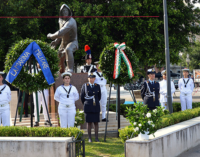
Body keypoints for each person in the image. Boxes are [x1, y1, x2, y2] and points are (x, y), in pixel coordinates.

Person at [47, 4, 78, 73]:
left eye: (66, 10)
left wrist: (51, 36)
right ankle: (61, 71)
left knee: (68, 49)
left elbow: (60, 32)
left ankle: (70, 70)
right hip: (63, 42)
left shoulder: (71, 21)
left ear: (69, 11)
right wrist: (56, 41)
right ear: (61, 13)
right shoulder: (61, 21)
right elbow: (61, 34)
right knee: (58, 57)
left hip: (72, 42)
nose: (64, 12)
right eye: (63, 11)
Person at [81, 73, 101, 142]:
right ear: (88, 79)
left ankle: (96, 138)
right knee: (89, 122)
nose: (91, 79)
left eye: (92, 78)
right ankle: (89, 138)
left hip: (95, 107)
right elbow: (82, 97)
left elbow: (99, 96)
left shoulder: (97, 86)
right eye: (90, 78)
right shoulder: (85, 86)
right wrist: (87, 103)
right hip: (88, 106)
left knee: (96, 123)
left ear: (94, 79)